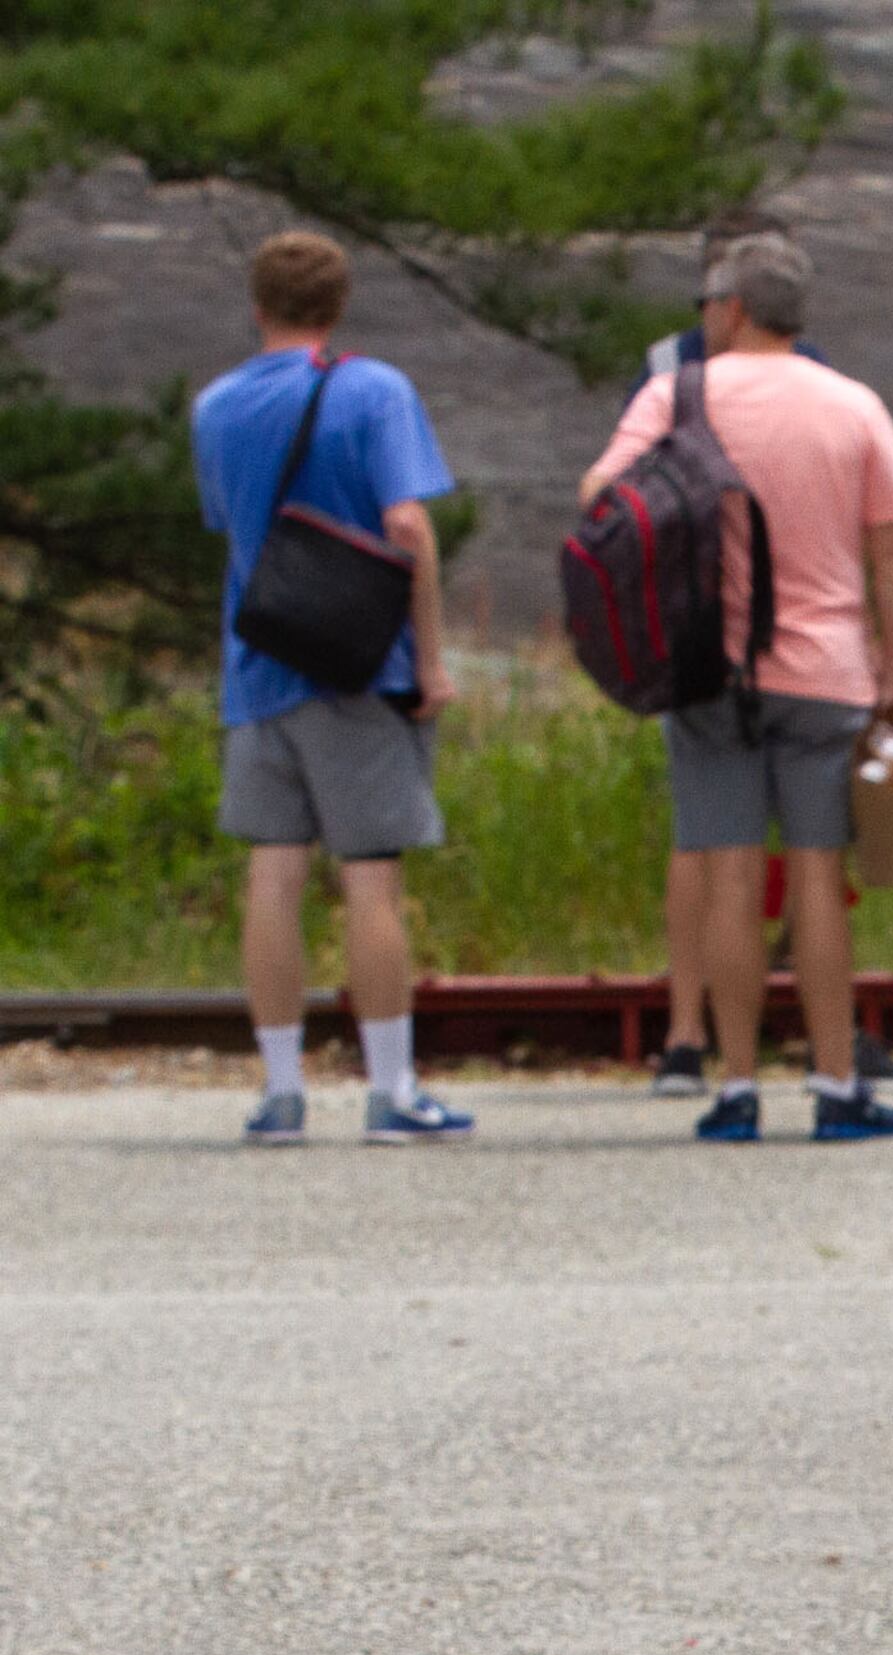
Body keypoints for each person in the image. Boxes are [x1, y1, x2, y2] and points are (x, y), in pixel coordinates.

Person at [581, 231, 893, 1142]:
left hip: (705, 672)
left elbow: (600, 494)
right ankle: (837, 1085)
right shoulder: (852, 406)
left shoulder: (675, 397)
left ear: (731, 310)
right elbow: (891, 552)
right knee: (817, 872)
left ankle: (735, 1087)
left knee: (729, 872)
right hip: (826, 672)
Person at [194, 231, 472, 1145]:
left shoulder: (215, 407)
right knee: (370, 881)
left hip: (257, 668)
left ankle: (280, 1095)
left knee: (272, 876)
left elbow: (229, 526)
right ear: (339, 304)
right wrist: (428, 660)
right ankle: (391, 1091)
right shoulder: (372, 390)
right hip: (358, 671)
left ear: (257, 304)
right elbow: (409, 528)